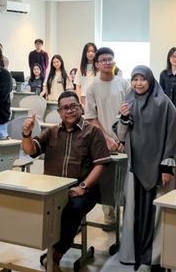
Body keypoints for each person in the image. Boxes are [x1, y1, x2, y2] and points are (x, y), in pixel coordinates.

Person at [21, 91, 111, 272]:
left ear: (80, 108)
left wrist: (83, 186)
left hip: (83, 190)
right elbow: (30, 150)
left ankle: (55, 256)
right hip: (54, 190)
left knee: (73, 210)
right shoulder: (52, 131)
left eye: (73, 106)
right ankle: (52, 245)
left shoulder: (92, 132)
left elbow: (100, 165)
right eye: (64, 108)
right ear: (59, 112)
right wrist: (26, 134)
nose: (69, 111)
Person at [116, 66, 176, 272]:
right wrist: (124, 118)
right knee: (134, 211)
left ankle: (157, 257)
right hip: (136, 167)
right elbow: (121, 136)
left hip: (160, 168)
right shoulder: (128, 102)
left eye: (142, 79)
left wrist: (166, 166)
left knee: (159, 212)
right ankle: (133, 254)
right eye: (135, 79)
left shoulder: (163, 102)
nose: (138, 83)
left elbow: (173, 135)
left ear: (150, 80)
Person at [84, 47, 131, 227]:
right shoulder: (92, 88)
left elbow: (131, 112)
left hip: (125, 140)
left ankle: (128, 219)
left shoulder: (124, 84)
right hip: (103, 140)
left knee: (126, 180)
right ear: (96, 64)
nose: (107, 62)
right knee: (107, 179)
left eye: (110, 59)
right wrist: (107, 138)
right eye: (103, 60)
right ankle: (109, 217)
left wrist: (123, 138)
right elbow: (91, 118)